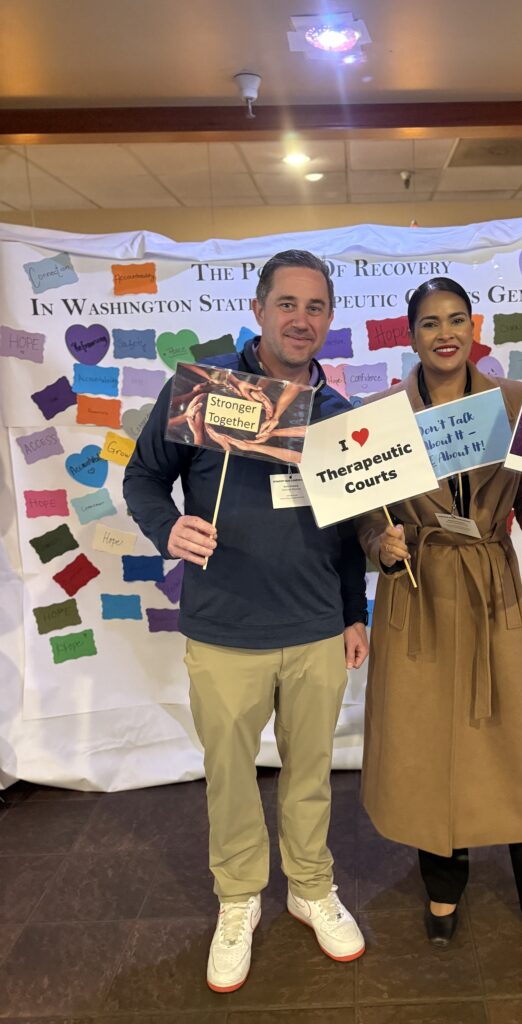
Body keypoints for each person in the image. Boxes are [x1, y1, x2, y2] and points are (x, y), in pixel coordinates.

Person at [124, 250, 369, 993]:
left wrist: (353, 613)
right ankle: (238, 900)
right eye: (287, 304)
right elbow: (143, 478)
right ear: (258, 309)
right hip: (224, 626)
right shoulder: (202, 393)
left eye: (315, 307)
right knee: (229, 776)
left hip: (317, 627)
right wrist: (167, 527)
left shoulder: (339, 415)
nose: (301, 319)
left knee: (311, 773)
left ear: (329, 318)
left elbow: (349, 530)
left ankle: (310, 886)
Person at [355, 277, 522, 985]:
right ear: (411, 336)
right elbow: (366, 509)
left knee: (517, 750)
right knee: (429, 746)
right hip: (419, 595)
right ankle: (444, 885)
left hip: (491, 592)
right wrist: (381, 544)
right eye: (430, 322)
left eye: (456, 319)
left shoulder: (515, 404)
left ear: (474, 327)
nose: (445, 333)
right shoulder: (380, 417)